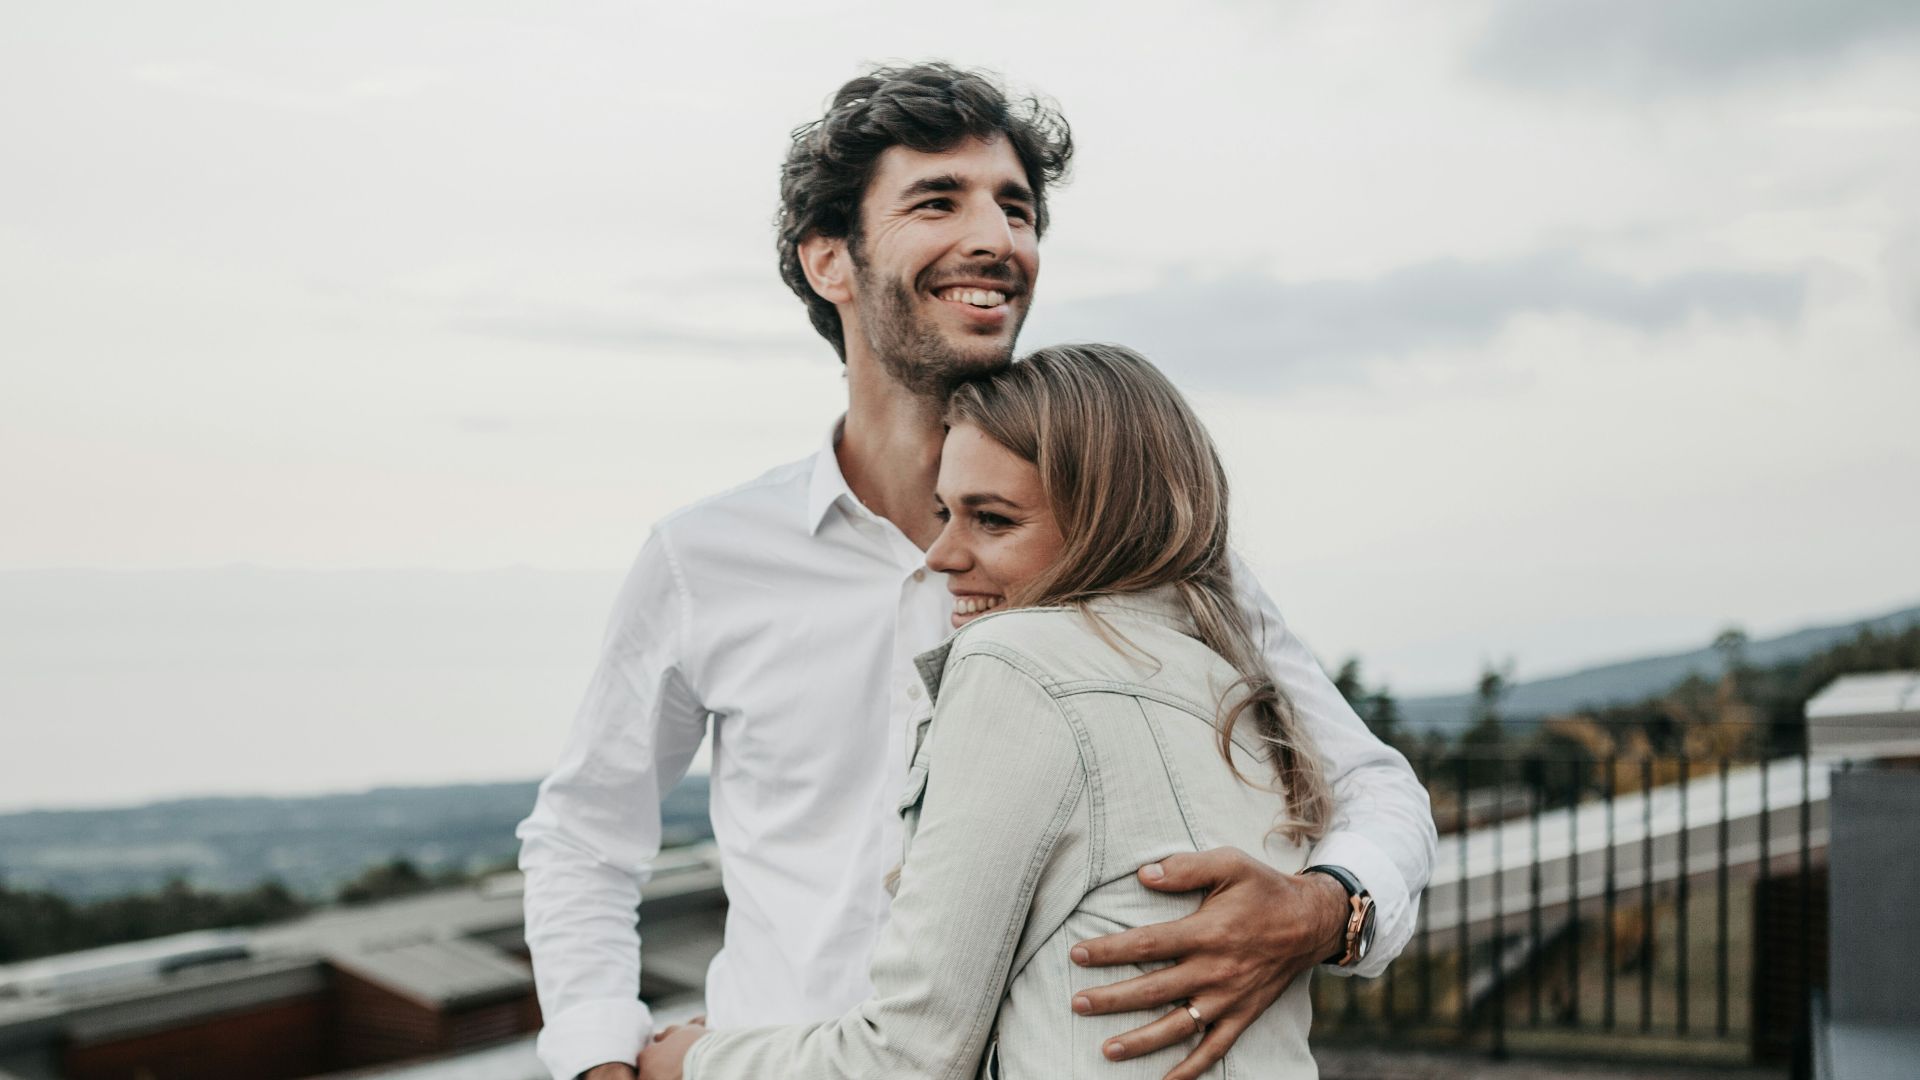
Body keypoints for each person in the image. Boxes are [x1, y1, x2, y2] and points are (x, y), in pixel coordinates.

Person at [516, 63, 1437, 1080]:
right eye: (937, 201)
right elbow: (585, 840)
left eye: (1017, 208)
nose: (998, 240)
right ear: (830, 260)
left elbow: (1369, 783)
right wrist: (599, 1058)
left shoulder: (1139, 541)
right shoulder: (704, 559)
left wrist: (1323, 909)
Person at [638, 344, 1350, 1080]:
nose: (942, 554)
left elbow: (908, 1058)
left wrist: (692, 1062)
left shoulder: (1013, 663)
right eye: (946, 512)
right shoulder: (1236, 682)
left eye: (994, 520)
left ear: (1107, 522)